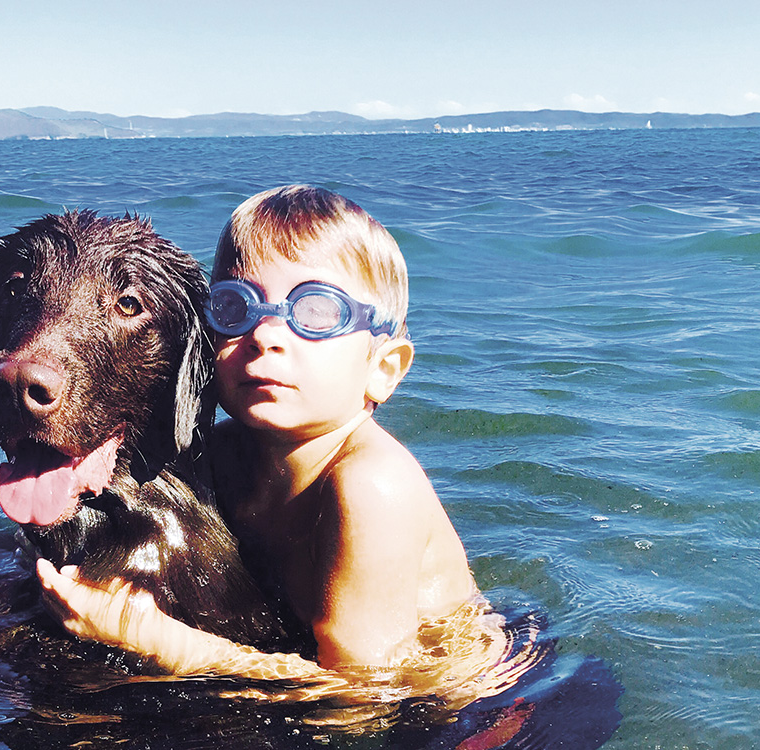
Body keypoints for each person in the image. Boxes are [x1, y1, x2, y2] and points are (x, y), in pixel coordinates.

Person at [37, 185, 536, 694]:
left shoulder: (372, 484)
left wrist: (152, 636)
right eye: (235, 306)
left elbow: (360, 692)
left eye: (317, 311)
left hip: (472, 702)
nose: (265, 333)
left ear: (383, 370)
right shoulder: (220, 454)